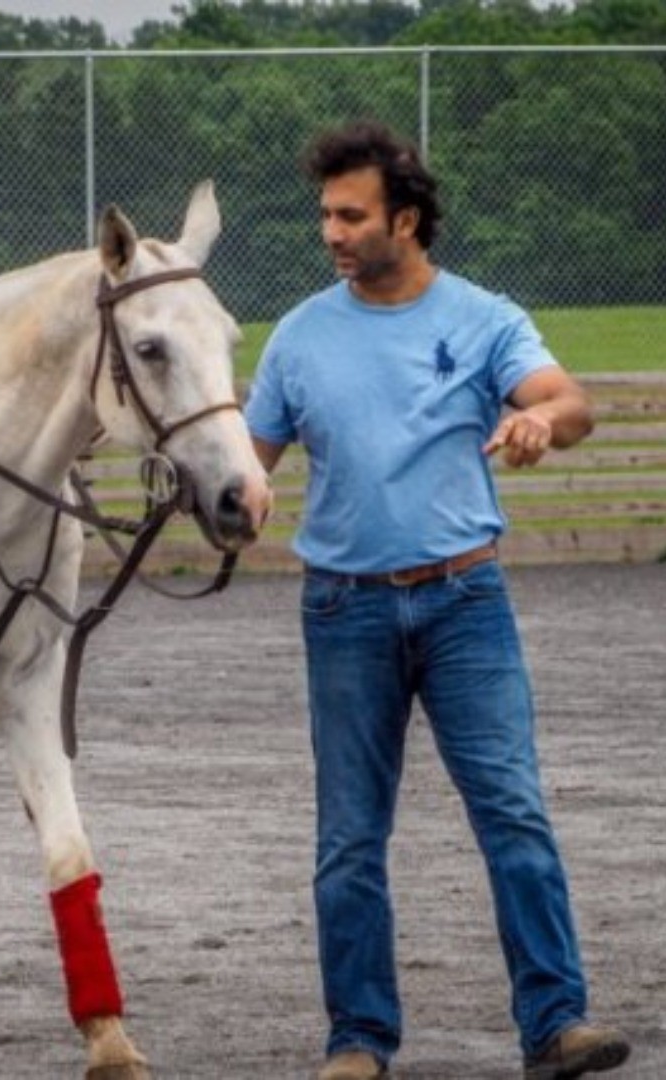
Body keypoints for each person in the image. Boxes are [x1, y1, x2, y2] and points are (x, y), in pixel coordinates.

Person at [244, 120, 631, 1080]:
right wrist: (219, 494)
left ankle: (555, 1024)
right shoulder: (297, 336)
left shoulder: (485, 318)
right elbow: (248, 473)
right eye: (324, 214)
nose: (330, 232)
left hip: (466, 603)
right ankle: (359, 1040)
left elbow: (569, 401)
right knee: (349, 837)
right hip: (344, 611)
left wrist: (538, 418)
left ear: (405, 220)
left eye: (350, 214)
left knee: (513, 812)